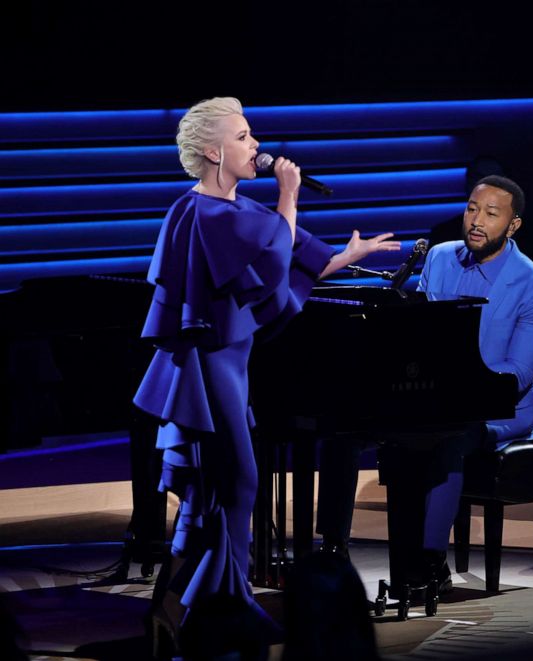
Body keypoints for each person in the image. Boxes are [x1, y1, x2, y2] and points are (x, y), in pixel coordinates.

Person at [132, 97, 399, 656]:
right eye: (246, 137)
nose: (257, 147)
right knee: (240, 481)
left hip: (232, 365)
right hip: (208, 368)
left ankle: (198, 602)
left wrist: (353, 254)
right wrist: (288, 193)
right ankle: (222, 604)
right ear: (214, 151)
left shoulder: (239, 213)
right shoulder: (201, 211)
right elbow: (277, 248)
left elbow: (292, 256)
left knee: (220, 487)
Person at [317, 175, 533, 587]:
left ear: (514, 225)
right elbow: (418, 336)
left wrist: (455, 386)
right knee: (342, 430)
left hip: (501, 408)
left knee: (452, 437)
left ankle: (430, 562)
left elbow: (519, 376)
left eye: (490, 213)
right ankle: (332, 550)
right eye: (471, 209)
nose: (476, 221)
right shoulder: (441, 256)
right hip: (429, 398)